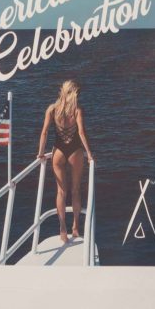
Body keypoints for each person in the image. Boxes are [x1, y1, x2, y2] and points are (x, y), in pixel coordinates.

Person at [37, 79, 94, 242]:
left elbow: (44, 132)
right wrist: (89, 153)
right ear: (73, 93)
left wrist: (41, 152)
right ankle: (75, 227)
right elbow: (81, 133)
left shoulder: (52, 109)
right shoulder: (77, 110)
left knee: (61, 192)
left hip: (58, 152)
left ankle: (62, 228)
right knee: (75, 190)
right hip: (75, 151)